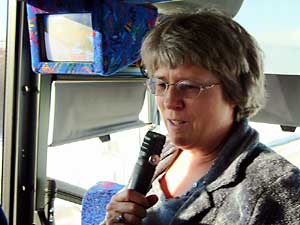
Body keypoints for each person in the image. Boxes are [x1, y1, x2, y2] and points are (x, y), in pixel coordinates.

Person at [101, 9, 300, 225]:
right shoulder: (160, 153)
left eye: (188, 87)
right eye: (161, 84)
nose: (169, 102)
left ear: (236, 92)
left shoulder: (277, 189)